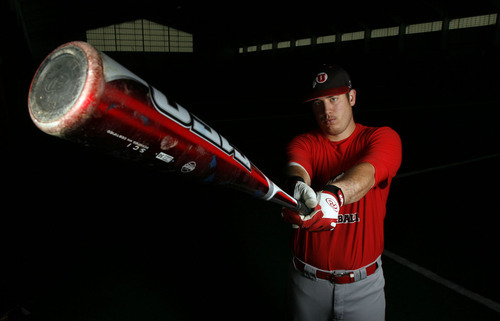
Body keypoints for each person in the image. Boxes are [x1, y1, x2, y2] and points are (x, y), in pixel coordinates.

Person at [281, 65, 402, 321]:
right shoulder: (304, 142)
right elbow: (297, 167)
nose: (326, 110)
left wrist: (333, 197)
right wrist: (298, 186)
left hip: (364, 286)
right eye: (318, 103)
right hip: (306, 282)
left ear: (352, 97)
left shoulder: (382, 137)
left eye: (333, 99)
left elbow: (368, 174)